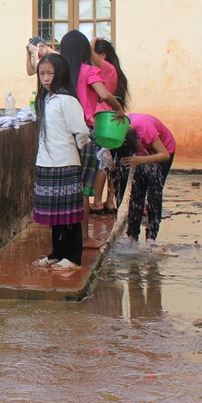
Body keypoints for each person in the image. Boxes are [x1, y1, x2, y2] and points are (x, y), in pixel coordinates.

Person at [59, 30, 125, 249]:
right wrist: (119, 110)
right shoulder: (88, 71)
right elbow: (105, 95)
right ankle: (84, 238)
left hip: (62, 134)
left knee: (64, 186)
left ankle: (62, 237)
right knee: (84, 189)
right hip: (85, 134)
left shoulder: (60, 72)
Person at [30, 54, 89, 270]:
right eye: (42, 74)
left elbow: (81, 131)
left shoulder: (67, 101)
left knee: (69, 214)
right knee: (56, 213)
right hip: (46, 162)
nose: (45, 78)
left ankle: (73, 257)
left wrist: (76, 149)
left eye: (50, 73)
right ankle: (57, 253)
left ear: (60, 74)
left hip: (65, 161)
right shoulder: (44, 100)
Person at [112, 113, 177, 255]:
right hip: (141, 155)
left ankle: (151, 239)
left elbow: (164, 155)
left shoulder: (146, 129)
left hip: (163, 151)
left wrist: (141, 160)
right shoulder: (119, 128)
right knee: (136, 192)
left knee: (154, 193)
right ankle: (132, 237)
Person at [90, 38, 130, 214]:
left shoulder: (107, 68)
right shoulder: (116, 73)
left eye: (96, 56)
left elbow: (88, 54)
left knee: (102, 162)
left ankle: (97, 202)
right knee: (111, 162)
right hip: (114, 121)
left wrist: (91, 42)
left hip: (104, 120)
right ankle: (110, 201)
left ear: (103, 55)